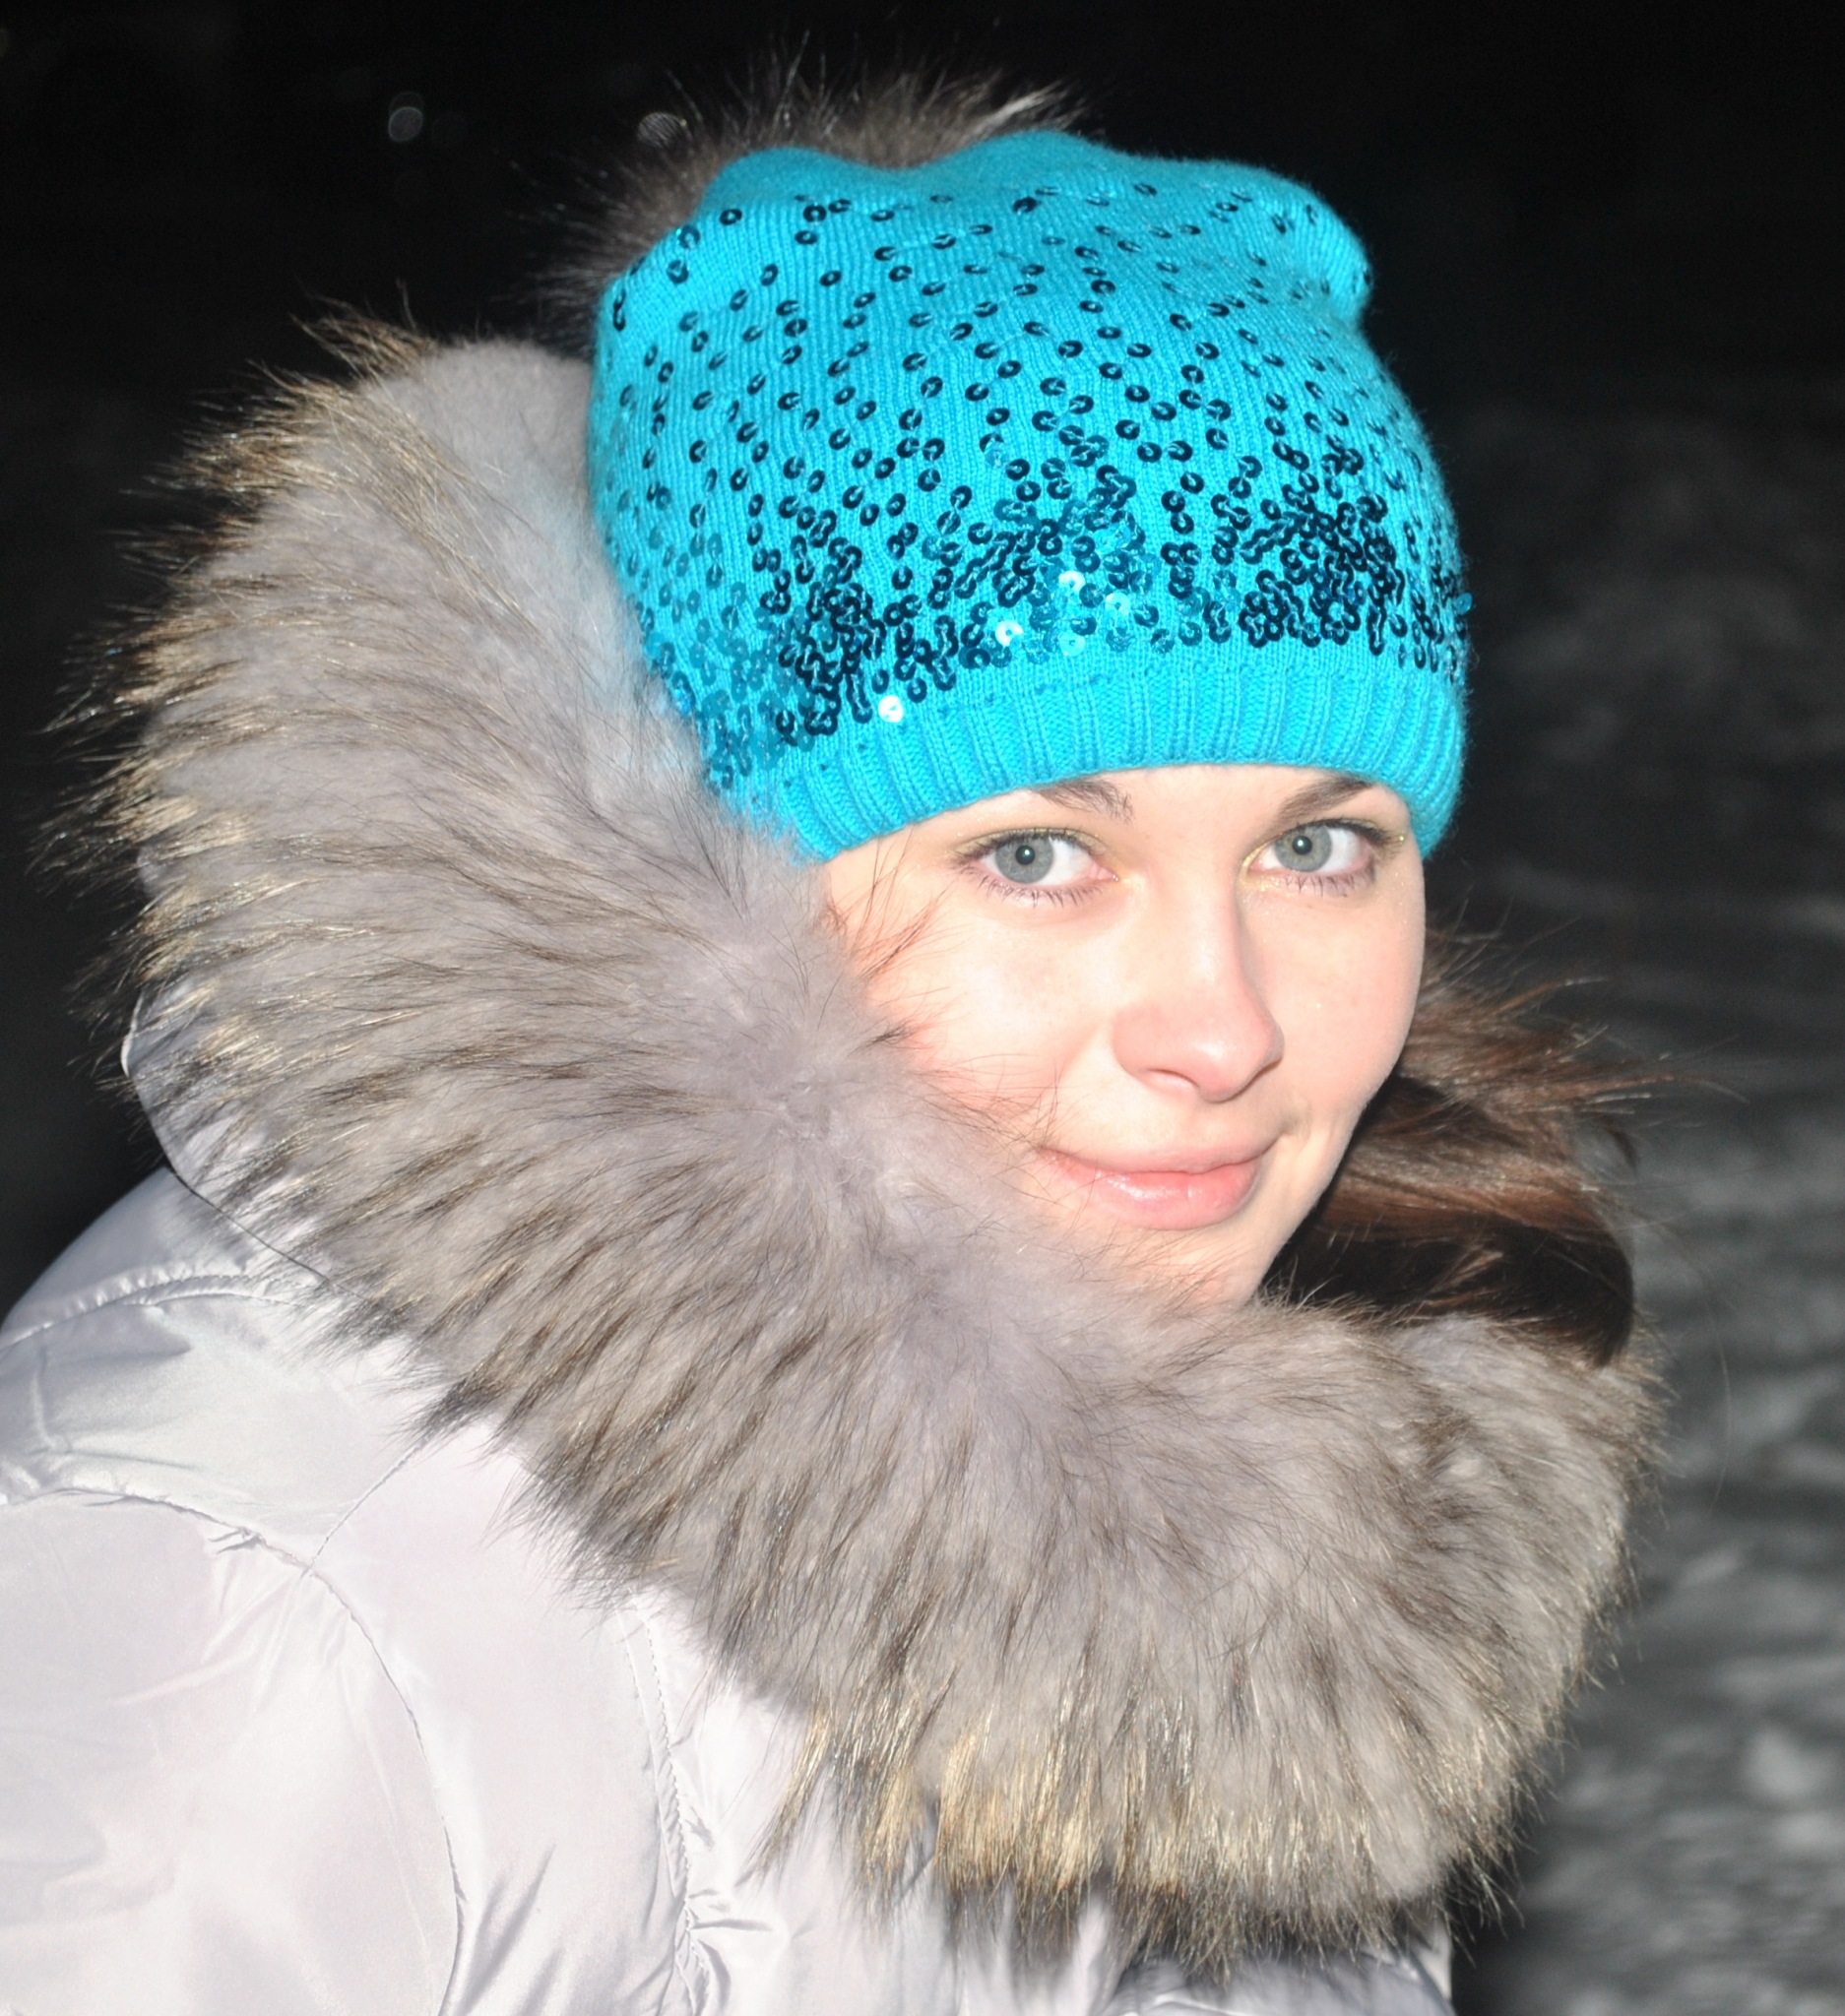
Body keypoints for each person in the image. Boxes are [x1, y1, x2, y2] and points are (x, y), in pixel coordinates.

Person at [0, 73, 1655, 2016]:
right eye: (1035, 854)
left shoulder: (1318, 1451)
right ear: (703, 868)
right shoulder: (239, 1606)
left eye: (1315, 847)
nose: (1224, 1027)